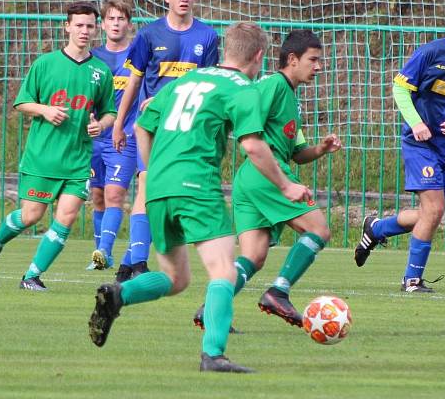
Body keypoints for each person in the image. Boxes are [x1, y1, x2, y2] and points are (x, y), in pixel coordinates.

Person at [88, 22, 311, 373]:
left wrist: (150, 171)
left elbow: (143, 125)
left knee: (176, 278)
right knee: (223, 270)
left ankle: (119, 294)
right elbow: (252, 144)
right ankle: (214, 354)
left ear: (226, 50)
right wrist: (286, 186)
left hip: (159, 186)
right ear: (259, 56)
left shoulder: (188, 80)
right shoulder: (244, 87)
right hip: (196, 184)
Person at [191, 30, 341, 330]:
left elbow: (297, 154)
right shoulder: (273, 84)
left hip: (252, 178)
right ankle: (279, 291)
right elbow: (241, 109)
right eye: (313, 60)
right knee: (319, 230)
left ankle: (211, 309)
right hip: (266, 173)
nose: (319, 67)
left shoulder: (291, 98)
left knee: (254, 256)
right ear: (292, 59)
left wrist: (320, 149)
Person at [353, 0, 445, 292]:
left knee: (432, 213)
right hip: (419, 143)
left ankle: (376, 228)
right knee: (434, 208)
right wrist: (416, 123)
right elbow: (400, 87)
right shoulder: (432, 52)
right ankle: (411, 280)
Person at [0, 1, 116, 290]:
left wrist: (100, 125)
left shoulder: (101, 71)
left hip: (78, 160)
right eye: (78, 25)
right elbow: (22, 102)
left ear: (96, 29)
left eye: (90, 25)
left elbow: (109, 112)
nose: (84, 31)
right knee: (32, 215)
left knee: (66, 215)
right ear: (67, 27)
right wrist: (45, 110)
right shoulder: (45, 64)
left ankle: (31, 276)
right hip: (43, 158)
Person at [110, 0, 219, 282]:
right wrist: (120, 124)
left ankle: (127, 265)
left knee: (164, 194)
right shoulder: (149, 35)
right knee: (146, 186)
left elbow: (207, 85)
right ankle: (140, 264)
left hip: (184, 128)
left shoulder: (207, 37)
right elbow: (134, 81)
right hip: (152, 125)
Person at [88, 0, 141, 272]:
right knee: (98, 197)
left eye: (121, 19)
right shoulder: (93, 58)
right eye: (111, 19)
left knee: (115, 195)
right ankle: (103, 257)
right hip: (95, 138)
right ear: (103, 24)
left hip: (125, 138)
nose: (116, 24)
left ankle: (103, 250)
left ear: (129, 24)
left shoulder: (137, 55)